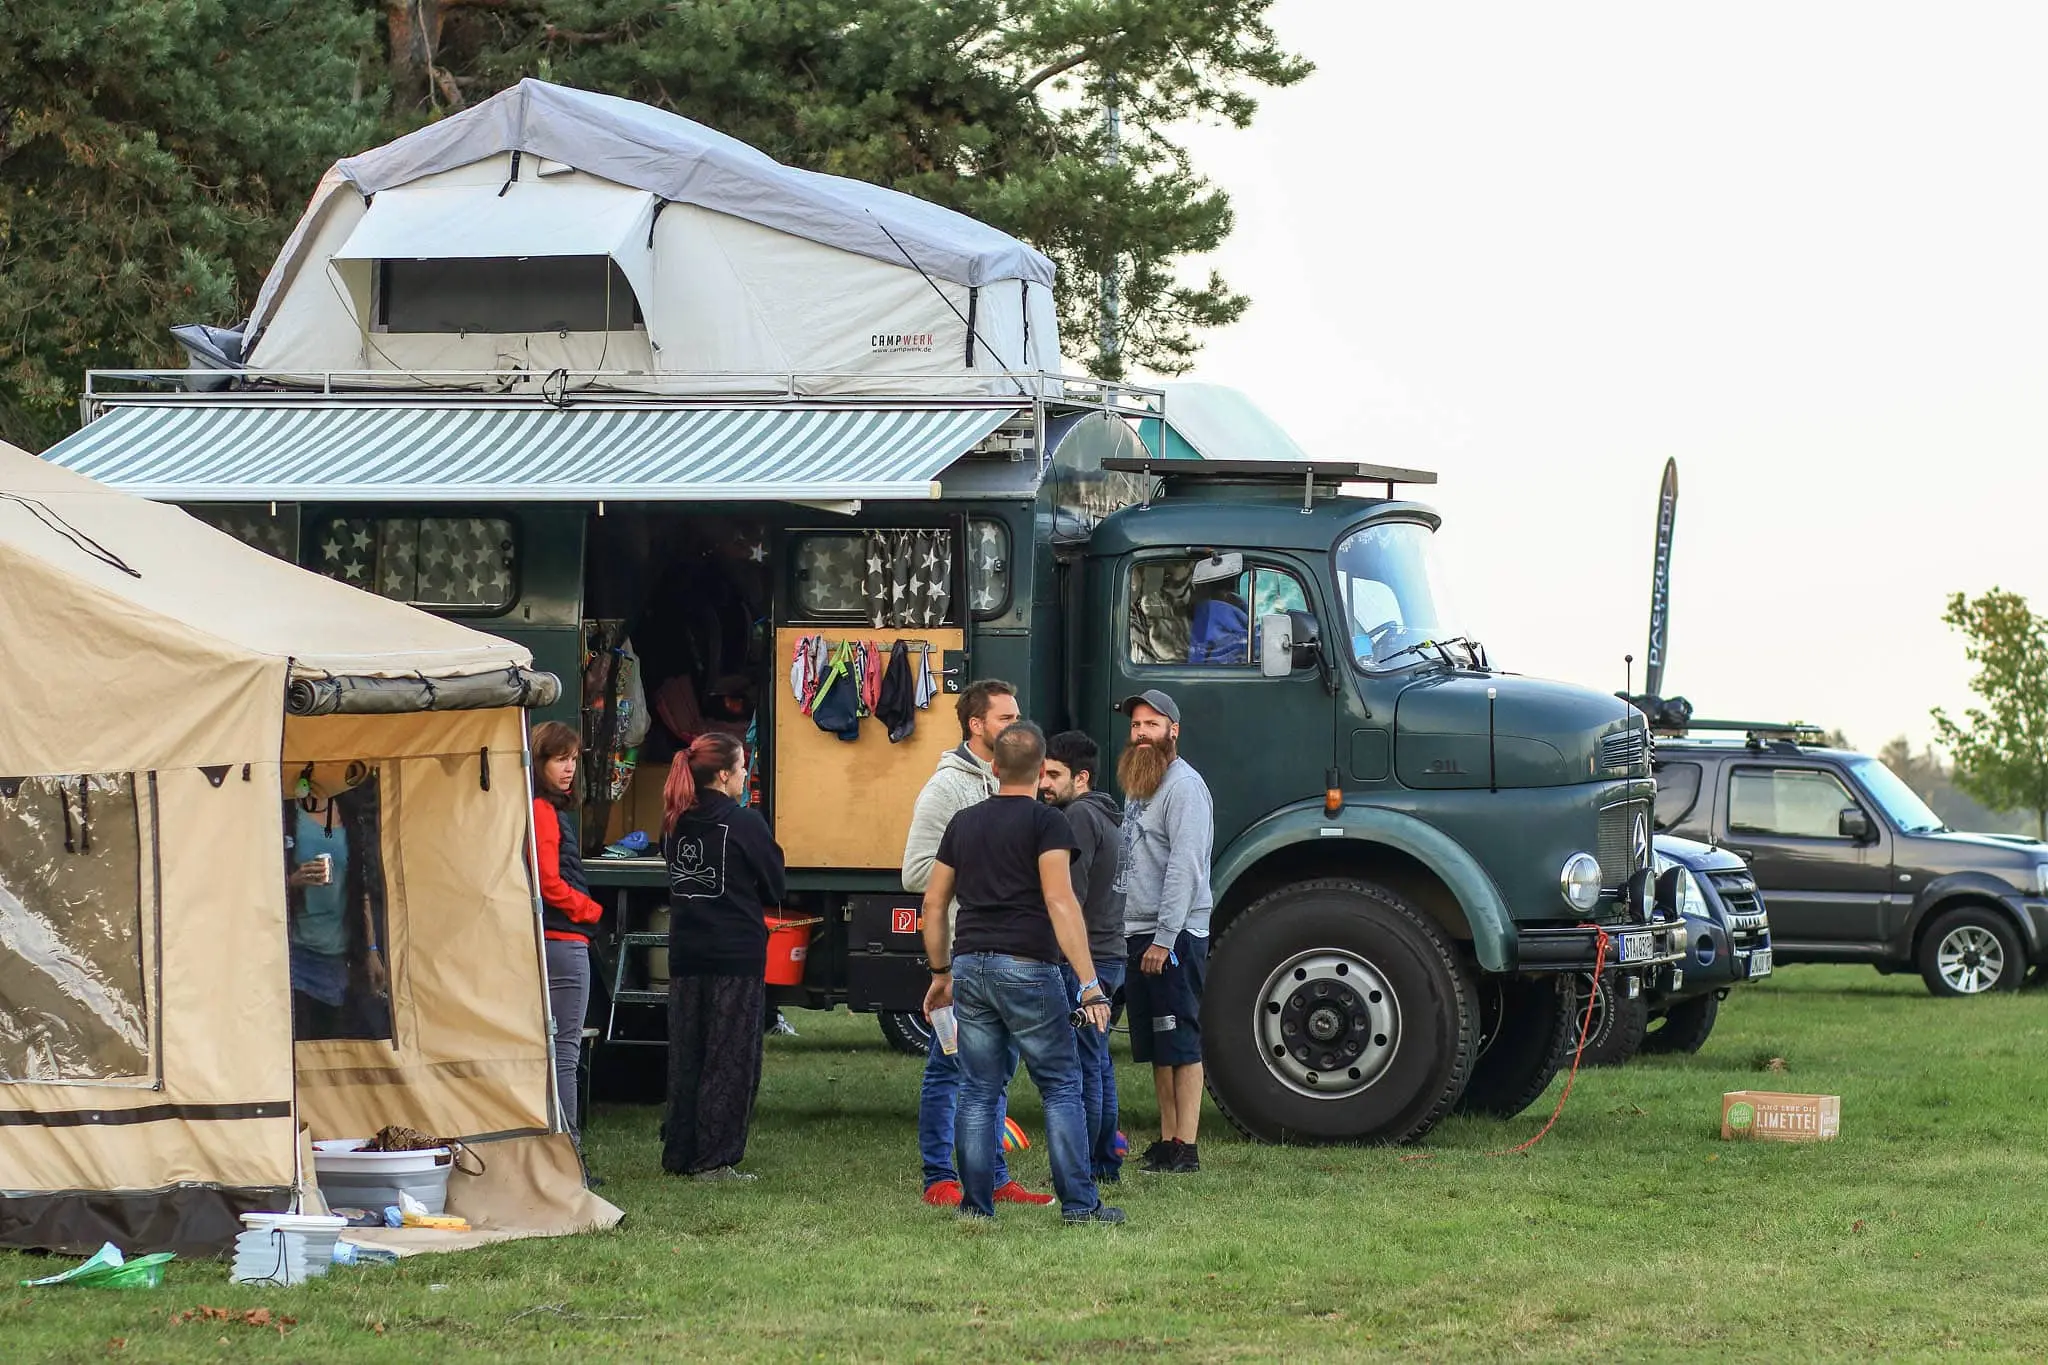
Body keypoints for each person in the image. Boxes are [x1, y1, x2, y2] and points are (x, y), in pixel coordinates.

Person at [921, 722, 1122, 1224]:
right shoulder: (1048, 824)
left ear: (993, 768)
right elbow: (1059, 899)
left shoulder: (963, 823)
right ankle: (1080, 1205)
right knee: (1059, 1085)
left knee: (977, 1090)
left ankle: (975, 1205)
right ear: (1039, 772)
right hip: (1029, 965)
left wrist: (940, 972)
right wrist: (1091, 982)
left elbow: (933, 901)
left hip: (969, 964)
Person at [901, 679, 1052, 1208]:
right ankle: (939, 1177)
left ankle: (993, 1177)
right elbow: (915, 871)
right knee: (951, 1067)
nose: (1016, 725)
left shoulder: (1010, 778)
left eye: (1017, 716)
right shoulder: (946, 787)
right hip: (969, 948)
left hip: (1008, 948)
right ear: (976, 725)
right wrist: (988, 871)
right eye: (1005, 718)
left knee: (996, 1070)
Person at [661, 733, 786, 1181]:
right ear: (723, 774)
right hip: (735, 955)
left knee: (688, 1053)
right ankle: (714, 1158)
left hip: (687, 953)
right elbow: (775, 885)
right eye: (741, 766)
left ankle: (680, 1151)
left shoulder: (675, 820)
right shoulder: (744, 822)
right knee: (730, 1058)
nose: (744, 774)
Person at [1114, 689, 1215, 1175]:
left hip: (1172, 936)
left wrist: (1164, 937)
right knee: (1157, 1043)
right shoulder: (1139, 784)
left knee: (1181, 1041)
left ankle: (1188, 1148)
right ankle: (1167, 1138)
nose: (1141, 734)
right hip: (1138, 932)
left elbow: (1185, 867)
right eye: (1136, 726)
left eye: (1151, 725)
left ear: (1173, 730)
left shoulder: (1184, 787)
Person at [1040, 730, 1127, 1184]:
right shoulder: (1109, 815)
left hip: (1085, 960)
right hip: (1111, 953)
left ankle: (1088, 1169)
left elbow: (1067, 897)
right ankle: (1105, 1162)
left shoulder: (1076, 817)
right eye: (1041, 773)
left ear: (1082, 777)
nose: (1043, 784)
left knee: (1082, 1068)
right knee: (1099, 1062)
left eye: (1054, 774)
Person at [530, 722, 604, 1164]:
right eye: (560, 759)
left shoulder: (543, 808)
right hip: (563, 940)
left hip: (556, 938)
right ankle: (569, 1156)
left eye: (574, 759)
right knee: (565, 1053)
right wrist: (588, 910)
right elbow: (548, 881)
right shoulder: (542, 810)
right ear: (539, 762)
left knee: (559, 1051)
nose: (569, 768)